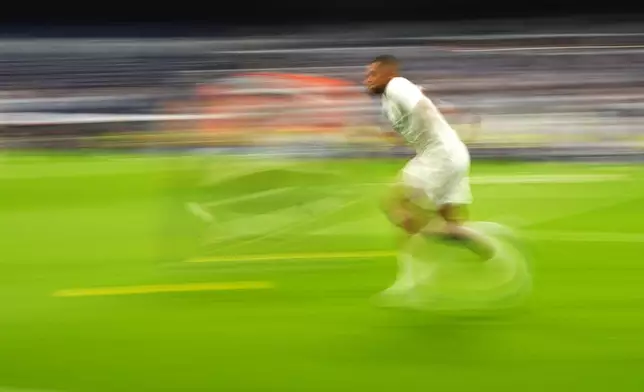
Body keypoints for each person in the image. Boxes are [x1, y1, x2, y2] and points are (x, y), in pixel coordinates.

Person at [364, 54, 497, 298]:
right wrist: (378, 137)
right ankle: (483, 243)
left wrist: (436, 127)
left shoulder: (397, 85)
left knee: (396, 206)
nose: (367, 79)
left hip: (439, 155)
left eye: (372, 74)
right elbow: (410, 129)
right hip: (451, 153)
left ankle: (410, 280)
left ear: (388, 73)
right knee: (449, 224)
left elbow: (423, 108)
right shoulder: (387, 101)